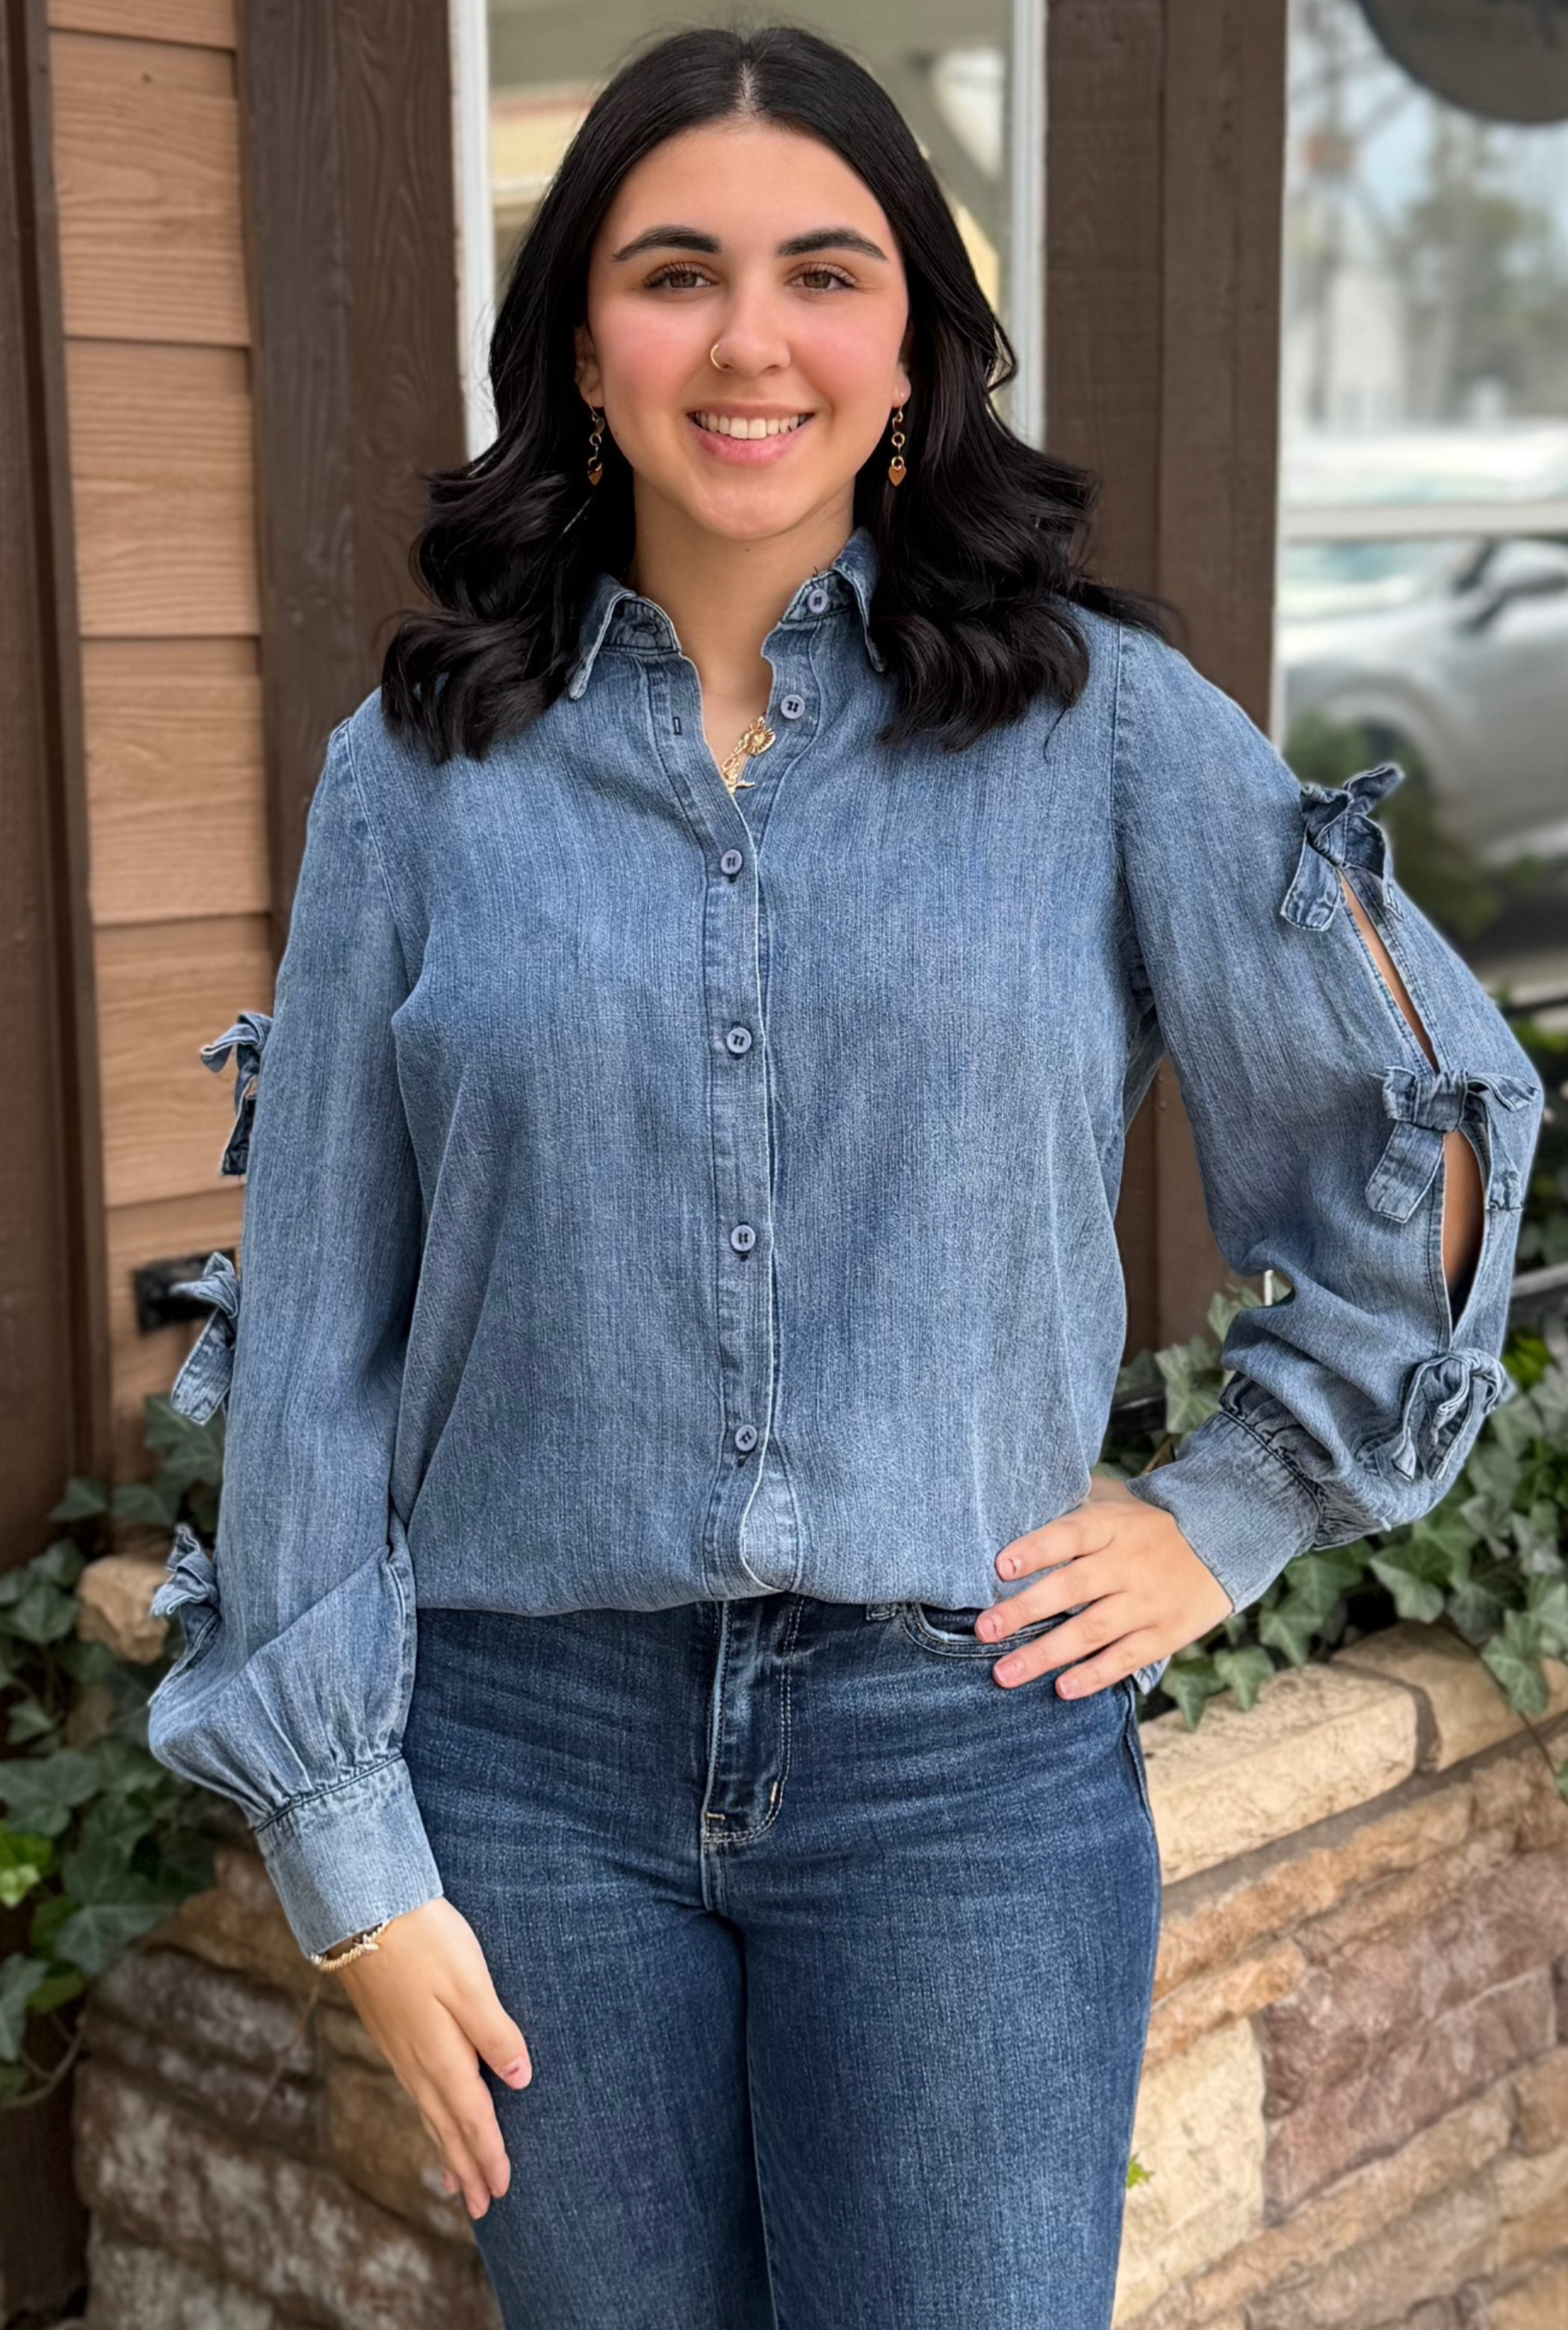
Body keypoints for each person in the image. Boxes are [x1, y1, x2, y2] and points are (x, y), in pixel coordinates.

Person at [145, 23, 1544, 2328]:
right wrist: (346, 1855)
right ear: (583, 347)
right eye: (672, 272)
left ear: (915, 354)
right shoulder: (421, 776)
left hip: (958, 1779)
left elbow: (1438, 1106)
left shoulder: (1090, 726)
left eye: (828, 271)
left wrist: (1240, 1509)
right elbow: (319, 1324)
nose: (750, 339)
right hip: (530, 1768)